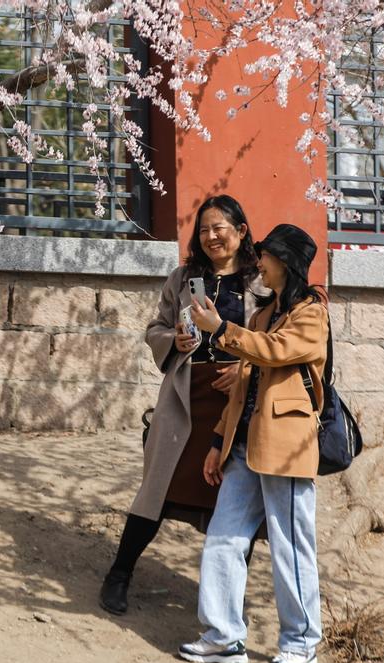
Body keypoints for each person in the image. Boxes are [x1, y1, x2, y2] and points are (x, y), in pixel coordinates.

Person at [99, 195, 265, 615]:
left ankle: (229, 598)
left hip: (238, 401)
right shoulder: (183, 277)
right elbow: (155, 327)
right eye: (204, 230)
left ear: (241, 231)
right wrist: (174, 340)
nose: (210, 237)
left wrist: (246, 371)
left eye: (219, 228)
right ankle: (120, 573)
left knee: (232, 498)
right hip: (186, 394)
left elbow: (271, 343)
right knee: (158, 488)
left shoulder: (260, 283)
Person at [178, 223, 328, 663]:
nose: (258, 262)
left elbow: (276, 352)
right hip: (243, 444)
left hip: (286, 444)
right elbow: (243, 383)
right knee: (224, 537)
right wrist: (218, 441)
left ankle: (302, 640)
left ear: (285, 263)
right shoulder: (263, 315)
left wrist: (221, 328)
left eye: (265, 256)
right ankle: (223, 636)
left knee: (290, 543)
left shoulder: (311, 314)